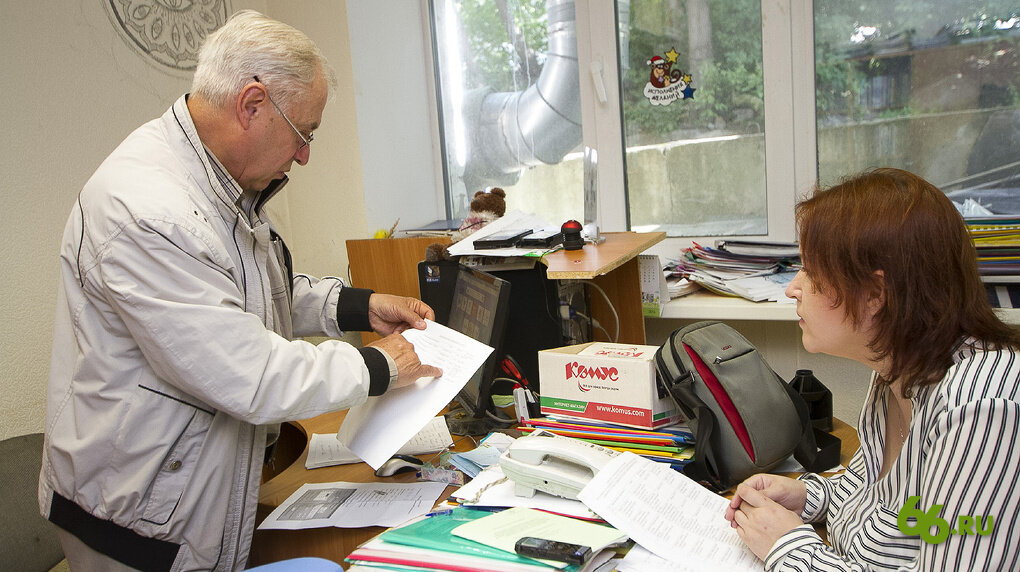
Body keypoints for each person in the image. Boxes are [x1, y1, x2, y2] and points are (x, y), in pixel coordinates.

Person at [39, 10, 442, 571]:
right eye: (305, 133)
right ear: (252, 105)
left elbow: (246, 294)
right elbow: (249, 374)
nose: (304, 155)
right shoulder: (151, 209)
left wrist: (357, 306)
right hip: (134, 526)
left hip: (178, 492)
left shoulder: (213, 183)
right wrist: (379, 366)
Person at [724, 167, 1020, 570]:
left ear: (875, 295)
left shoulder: (981, 408)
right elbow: (872, 500)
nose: (793, 287)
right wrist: (808, 498)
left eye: (810, 271)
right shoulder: (895, 372)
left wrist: (787, 548)